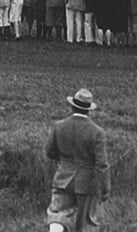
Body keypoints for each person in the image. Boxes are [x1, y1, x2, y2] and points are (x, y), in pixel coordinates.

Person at [46, 88, 110, 232]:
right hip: (87, 183)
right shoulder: (97, 132)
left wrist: (65, 162)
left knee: (58, 215)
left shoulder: (59, 126)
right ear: (89, 110)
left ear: (73, 105)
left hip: (63, 178)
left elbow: (50, 152)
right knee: (86, 223)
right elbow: (102, 165)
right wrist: (105, 188)